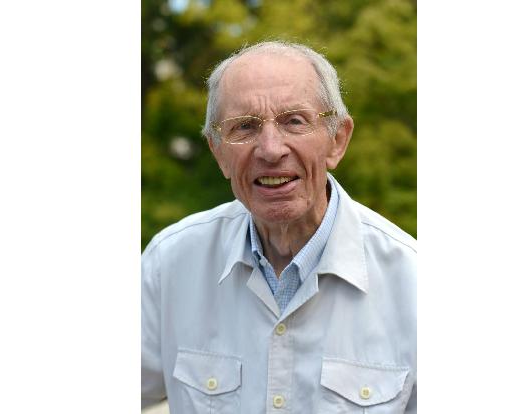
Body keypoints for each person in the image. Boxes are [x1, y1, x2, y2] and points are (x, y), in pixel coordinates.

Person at [141, 41, 416, 413]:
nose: (271, 149)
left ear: (337, 140)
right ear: (218, 152)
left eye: (294, 121)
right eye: (245, 127)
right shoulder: (170, 263)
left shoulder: (414, 281)